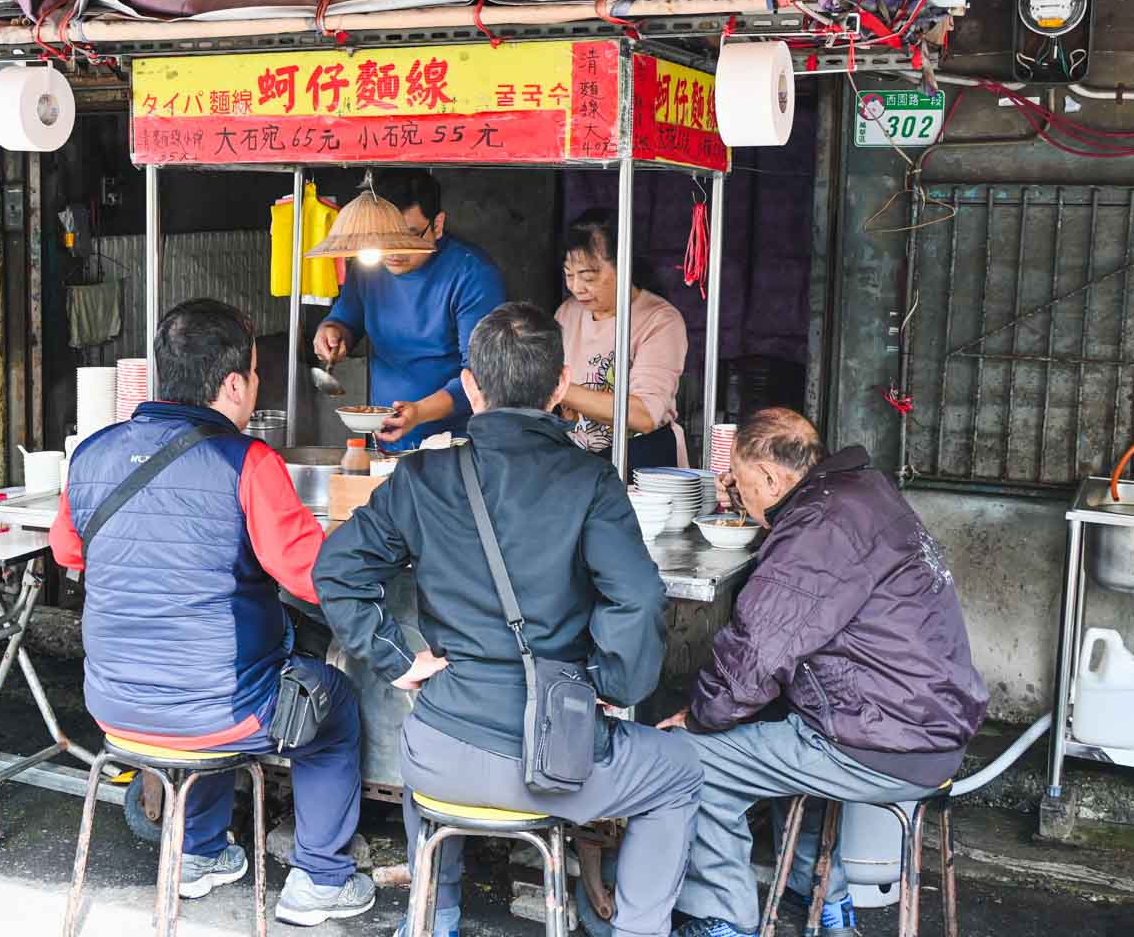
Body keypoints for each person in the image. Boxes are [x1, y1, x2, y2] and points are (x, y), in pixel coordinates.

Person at [315, 302, 704, 937]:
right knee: (682, 772)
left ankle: (432, 919)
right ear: (560, 385)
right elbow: (638, 599)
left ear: (470, 386)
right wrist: (610, 686)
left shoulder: (421, 476)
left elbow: (338, 571)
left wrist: (397, 657)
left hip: (440, 754)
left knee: (429, 744)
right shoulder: (591, 481)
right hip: (558, 761)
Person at [50, 298, 375, 927]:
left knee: (219, 663)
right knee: (329, 699)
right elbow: (312, 577)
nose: (254, 386)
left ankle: (198, 854)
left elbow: (69, 551)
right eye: (254, 375)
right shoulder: (247, 461)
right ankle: (322, 879)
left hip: (114, 704)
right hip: (221, 713)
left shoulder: (91, 455)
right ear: (233, 383)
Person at [660, 409, 989, 937]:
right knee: (782, 726)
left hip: (882, 739)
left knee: (693, 759)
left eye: (743, 486)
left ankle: (721, 920)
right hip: (926, 722)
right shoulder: (861, 492)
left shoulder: (819, 529)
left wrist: (698, 716)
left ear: (770, 478)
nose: (739, 498)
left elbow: (754, 659)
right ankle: (825, 900)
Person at [313, 170, 505, 451]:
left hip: (459, 443)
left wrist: (418, 413)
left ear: (437, 225)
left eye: (409, 236)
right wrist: (331, 332)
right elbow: (346, 318)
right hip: (387, 439)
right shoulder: (370, 265)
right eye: (385, 238)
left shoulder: (472, 274)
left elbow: (481, 377)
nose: (394, 251)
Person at [556, 208, 689, 469]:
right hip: (583, 464)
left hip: (644, 466)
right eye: (569, 275)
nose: (576, 287)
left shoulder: (660, 320)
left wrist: (554, 387)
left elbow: (644, 415)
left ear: (625, 265)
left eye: (587, 277)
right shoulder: (567, 314)